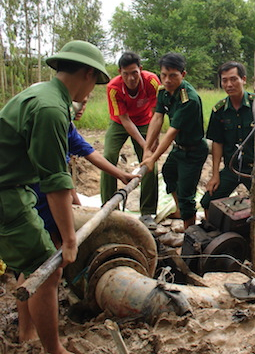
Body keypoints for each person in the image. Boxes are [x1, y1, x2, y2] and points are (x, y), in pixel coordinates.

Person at [0, 40, 110, 354]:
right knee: (48, 270)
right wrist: (70, 239)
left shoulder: (46, 95)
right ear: (88, 74)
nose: (91, 91)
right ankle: (54, 349)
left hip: (14, 187)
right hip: (6, 194)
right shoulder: (50, 108)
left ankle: (26, 331)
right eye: (94, 82)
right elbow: (55, 181)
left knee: (31, 263)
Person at [32, 96, 137, 248]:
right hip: (39, 193)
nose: (81, 108)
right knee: (50, 246)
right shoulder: (51, 125)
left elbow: (89, 152)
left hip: (54, 187)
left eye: (85, 103)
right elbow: (59, 179)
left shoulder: (67, 126)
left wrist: (121, 175)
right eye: (77, 103)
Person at [200, 61, 255, 219]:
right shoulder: (219, 110)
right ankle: (214, 235)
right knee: (208, 201)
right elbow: (217, 143)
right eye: (224, 80)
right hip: (233, 167)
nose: (229, 84)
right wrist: (215, 174)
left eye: (233, 79)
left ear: (243, 79)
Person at [141, 53, 208, 229]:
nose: (167, 80)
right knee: (169, 173)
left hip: (193, 151)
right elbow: (157, 118)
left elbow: (171, 132)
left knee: (187, 194)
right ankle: (179, 210)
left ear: (183, 75)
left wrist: (152, 158)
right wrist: (147, 149)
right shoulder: (163, 91)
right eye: (163, 75)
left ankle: (190, 231)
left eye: (173, 75)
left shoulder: (189, 99)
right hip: (179, 147)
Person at [100, 52, 160, 229]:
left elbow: (158, 111)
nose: (131, 78)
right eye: (125, 74)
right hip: (120, 123)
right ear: (120, 72)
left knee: (150, 163)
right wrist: (144, 144)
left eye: (134, 72)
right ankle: (109, 207)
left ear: (140, 70)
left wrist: (152, 141)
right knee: (108, 156)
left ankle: (147, 212)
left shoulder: (152, 81)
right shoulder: (113, 87)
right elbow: (125, 120)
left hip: (145, 121)